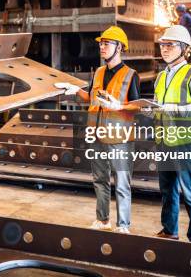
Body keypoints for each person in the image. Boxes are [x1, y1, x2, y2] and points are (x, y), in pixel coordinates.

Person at [55, 26, 140, 233]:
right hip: (97, 134)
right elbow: (92, 98)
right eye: (101, 44)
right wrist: (76, 91)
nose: (102, 47)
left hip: (120, 138)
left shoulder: (131, 75)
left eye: (106, 44)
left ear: (119, 47)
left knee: (121, 183)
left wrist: (119, 106)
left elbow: (139, 106)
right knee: (100, 180)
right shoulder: (99, 72)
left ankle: (123, 225)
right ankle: (103, 220)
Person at [153, 25, 191, 243]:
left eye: (170, 45)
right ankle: (170, 230)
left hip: (186, 142)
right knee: (167, 189)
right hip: (164, 141)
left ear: (184, 49)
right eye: (162, 44)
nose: (165, 49)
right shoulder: (161, 76)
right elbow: (161, 106)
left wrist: (178, 109)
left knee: (190, 191)